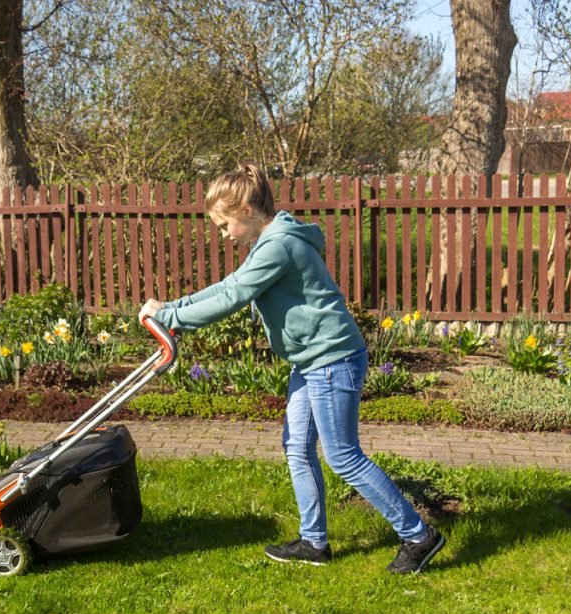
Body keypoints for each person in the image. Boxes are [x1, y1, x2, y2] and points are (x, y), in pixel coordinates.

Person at [139, 164, 445, 574]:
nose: (224, 233)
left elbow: (233, 295)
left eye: (225, 223)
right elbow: (230, 285)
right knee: (297, 448)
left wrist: (173, 317)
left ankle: (418, 535)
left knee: (343, 457)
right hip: (311, 362)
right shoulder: (268, 242)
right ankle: (314, 542)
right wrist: (171, 309)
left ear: (247, 209)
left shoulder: (278, 245)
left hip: (332, 360)